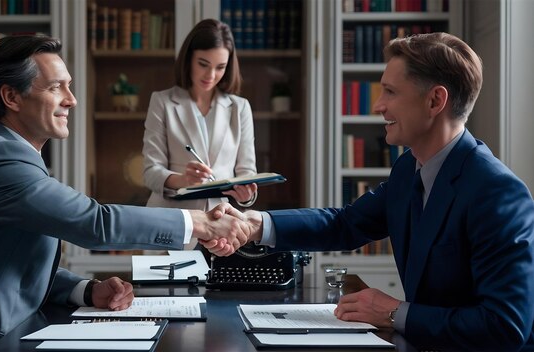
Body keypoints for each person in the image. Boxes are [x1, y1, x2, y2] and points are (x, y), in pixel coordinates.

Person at [0, 35, 247, 345]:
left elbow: (13, 265)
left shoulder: (7, 152)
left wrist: (86, 291)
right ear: (11, 97)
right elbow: (94, 223)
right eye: (56, 88)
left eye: (68, 87)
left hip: (7, 331)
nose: (71, 100)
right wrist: (199, 223)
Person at [223, 32, 534, 351]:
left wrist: (394, 312)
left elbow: (504, 327)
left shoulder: (497, 192)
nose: (378, 105)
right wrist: (254, 225)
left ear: (435, 101)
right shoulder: (408, 169)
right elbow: (344, 224)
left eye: (390, 92)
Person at [142, 18, 258, 222]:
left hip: (221, 222)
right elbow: (151, 172)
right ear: (189, 59)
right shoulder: (162, 102)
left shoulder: (239, 108)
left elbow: (247, 173)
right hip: (170, 220)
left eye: (220, 67)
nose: (211, 75)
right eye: (203, 64)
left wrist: (247, 196)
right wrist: (183, 180)